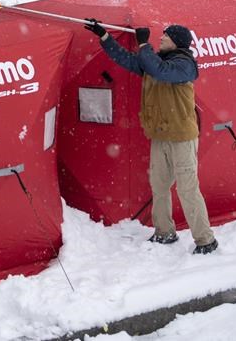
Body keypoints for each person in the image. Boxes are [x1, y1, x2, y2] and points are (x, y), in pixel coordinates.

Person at [82, 19, 218, 255]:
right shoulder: (154, 61)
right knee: (159, 185)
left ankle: (206, 239)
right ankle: (165, 232)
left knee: (187, 188)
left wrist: (143, 44)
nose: (161, 39)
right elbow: (125, 59)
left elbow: (160, 72)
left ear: (177, 42)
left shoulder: (184, 65)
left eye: (165, 37)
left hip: (182, 137)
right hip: (160, 135)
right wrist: (104, 36)